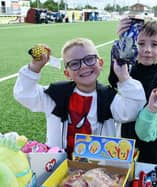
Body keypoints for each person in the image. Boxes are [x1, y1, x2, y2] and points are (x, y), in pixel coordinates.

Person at [13, 38, 146, 158]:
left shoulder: (108, 98)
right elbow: (24, 94)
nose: (83, 66)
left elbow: (132, 111)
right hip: (57, 166)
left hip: (98, 168)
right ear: (67, 73)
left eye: (89, 59)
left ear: (100, 63)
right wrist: (34, 68)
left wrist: (124, 77)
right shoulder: (56, 95)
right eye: (75, 63)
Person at [109, 18, 157, 164]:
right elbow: (114, 80)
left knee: (149, 167)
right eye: (141, 43)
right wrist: (123, 41)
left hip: (150, 135)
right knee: (125, 167)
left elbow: (155, 90)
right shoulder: (129, 67)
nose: (147, 50)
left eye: (154, 44)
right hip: (127, 134)